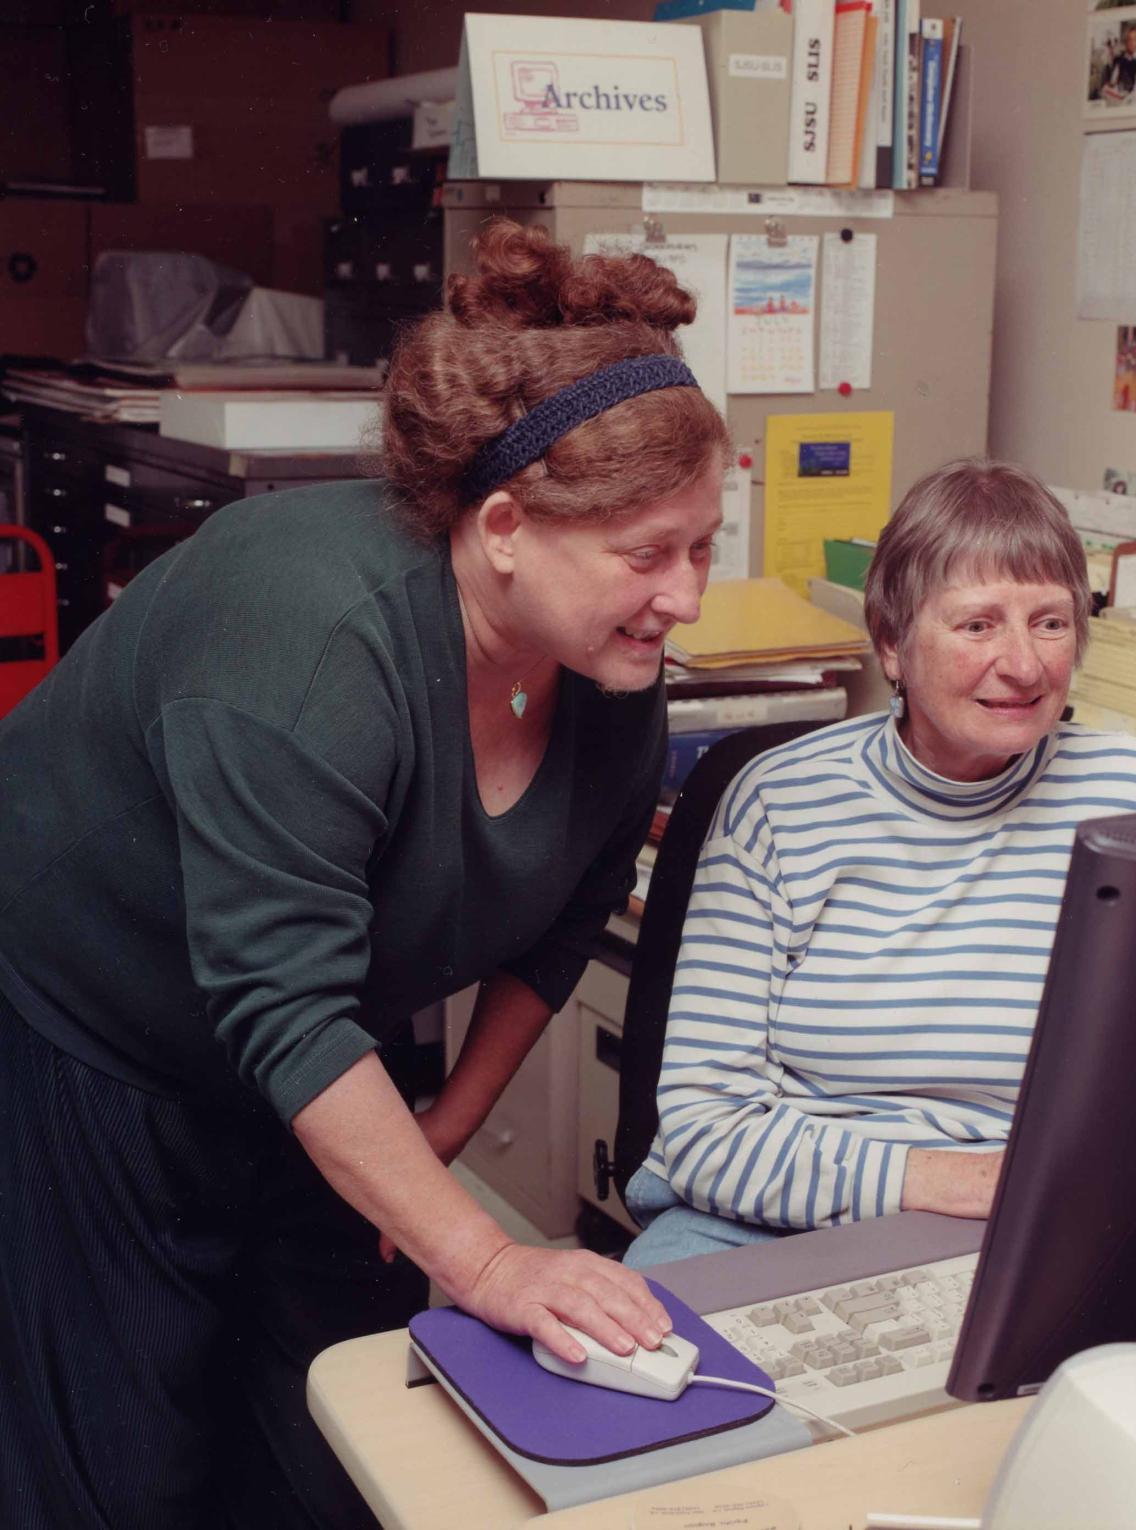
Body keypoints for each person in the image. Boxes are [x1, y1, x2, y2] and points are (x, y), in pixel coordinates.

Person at [0, 218, 730, 1528]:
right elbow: (277, 1009)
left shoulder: (612, 680)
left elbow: (554, 935)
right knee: (125, 1459)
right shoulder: (315, 638)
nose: (686, 596)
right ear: (506, 525)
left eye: (703, 547)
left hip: (313, 1031)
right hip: (88, 1019)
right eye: (648, 553)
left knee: (347, 1419)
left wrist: (443, 1129)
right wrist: (487, 1252)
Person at [623, 458, 1136, 1269]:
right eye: (977, 625)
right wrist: (959, 1182)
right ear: (892, 644)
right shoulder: (780, 804)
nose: (1025, 665)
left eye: (1050, 622)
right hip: (773, 1218)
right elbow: (701, 1134)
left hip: (1044, 1225)